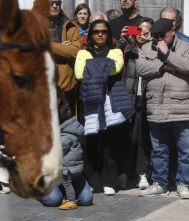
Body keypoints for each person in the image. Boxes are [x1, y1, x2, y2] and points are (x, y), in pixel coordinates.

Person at [137, 18, 189, 199]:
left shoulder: (186, 47)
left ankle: (183, 183)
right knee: (159, 149)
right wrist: (164, 66)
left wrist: (167, 54)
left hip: (181, 105)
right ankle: (160, 183)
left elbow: (188, 66)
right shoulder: (147, 48)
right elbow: (141, 68)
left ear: (172, 31)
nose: (159, 39)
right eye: (156, 36)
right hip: (157, 105)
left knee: (185, 149)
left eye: (163, 35)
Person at [74, 19, 125, 196]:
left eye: (103, 31)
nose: (100, 34)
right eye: (96, 31)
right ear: (91, 34)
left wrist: (92, 68)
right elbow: (79, 74)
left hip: (111, 102)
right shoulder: (82, 53)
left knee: (109, 143)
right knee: (90, 142)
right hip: (89, 102)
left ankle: (109, 181)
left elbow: (116, 68)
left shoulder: (116, 51)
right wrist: (105, 65)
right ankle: (92, 181)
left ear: (109, 33)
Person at [41, 88, 93, 209]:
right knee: (53, 200)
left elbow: (79, 146)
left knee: (86, 199)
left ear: (59, 100)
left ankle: (66, 190)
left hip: (68, 168)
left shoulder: (66, 115)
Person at [121, 17, 154, 190]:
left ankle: (142, 173)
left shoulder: (154, 50)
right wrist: (123, 42)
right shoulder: (128, 48)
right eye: (139, 30)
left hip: (147, 100)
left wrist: (150, 45)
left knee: (144, 138)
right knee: (129, 138)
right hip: (130, 99)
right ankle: (128, 172)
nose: (142, 34)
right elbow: (117, 63)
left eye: (146, 31)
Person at [48, 0, 82, 114]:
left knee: (67, 129)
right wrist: (62, 48)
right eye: (51, 3)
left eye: (58, 3)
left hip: (66, 89)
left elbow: (76, 52)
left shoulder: (72, 26)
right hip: (44, 89)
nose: (55, 6)